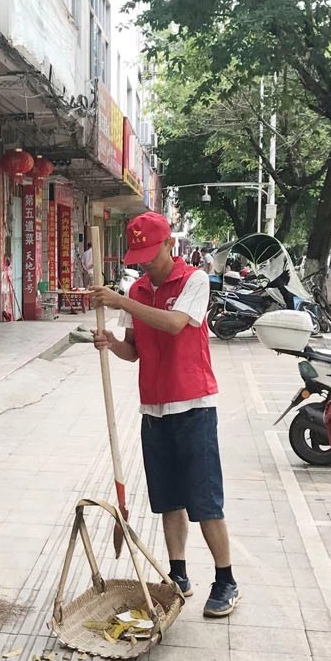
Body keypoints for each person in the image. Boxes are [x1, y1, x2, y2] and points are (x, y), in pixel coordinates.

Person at [91, 211, 240, 618]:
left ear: (169, 244)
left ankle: (226, 579)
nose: (145, 264)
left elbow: (175, 324)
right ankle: (178, 575)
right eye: (138, 257)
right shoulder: (138, 289)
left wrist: (121, 301)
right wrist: (110, 342)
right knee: (168, 500)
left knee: (204, 500)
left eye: (150, 254)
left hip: (193, 407)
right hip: (153, 409)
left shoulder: (194, 280)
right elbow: (134, 348)